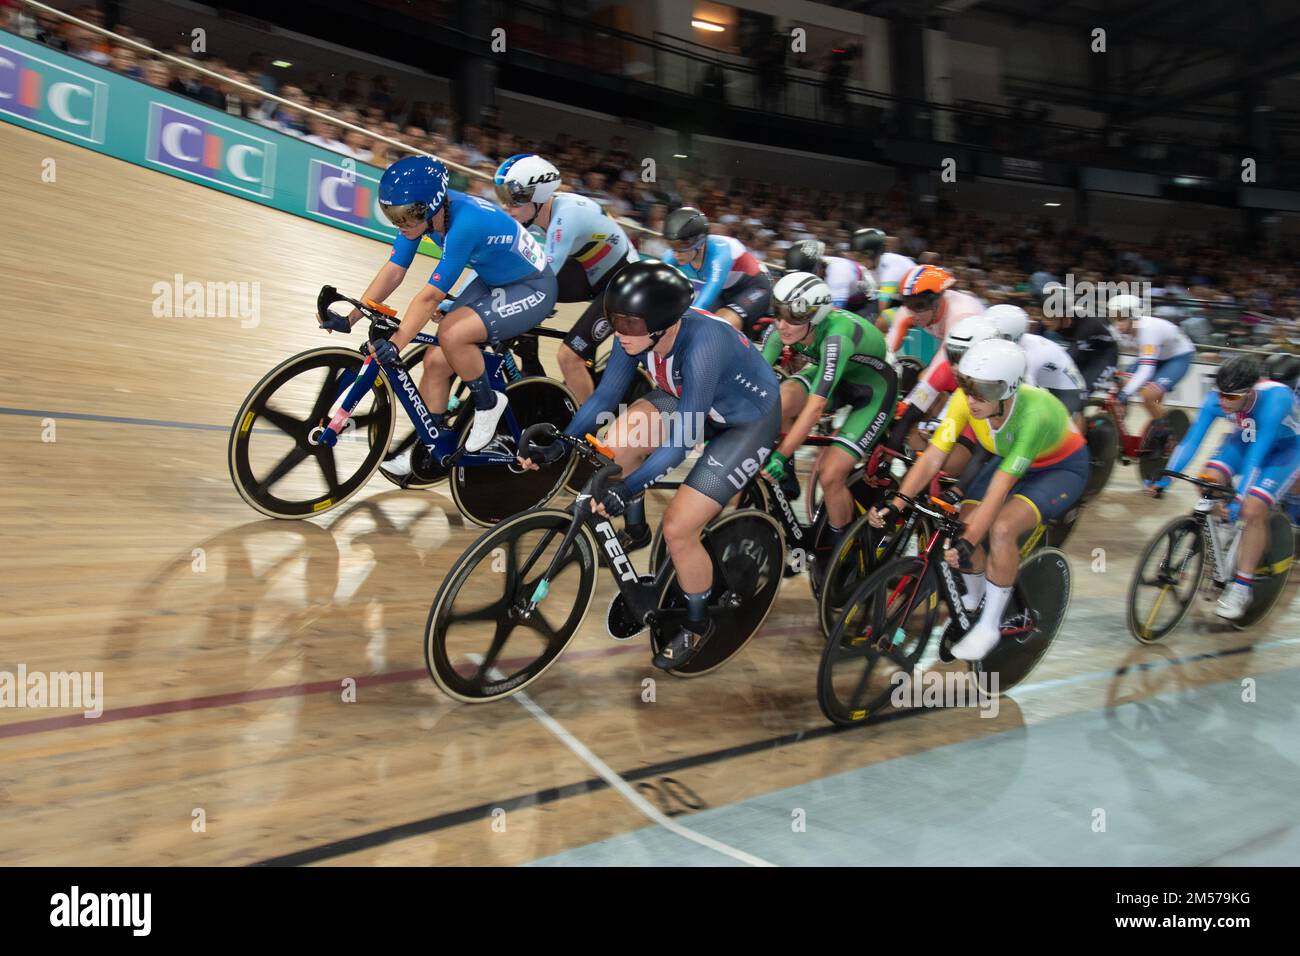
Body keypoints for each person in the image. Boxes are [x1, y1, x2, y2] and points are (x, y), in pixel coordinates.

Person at [520, 261, 781, 670]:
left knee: (679, 529)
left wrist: (628, 488)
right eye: (615, 321)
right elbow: (604, 398)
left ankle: (697, 624)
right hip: (688, 398)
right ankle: (636, 529)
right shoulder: (636, 337)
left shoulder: (703, 345)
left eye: (630, 324)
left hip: (745, 423)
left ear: (661, 324)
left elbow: (681, 443)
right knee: (613, 447)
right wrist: (562, 444)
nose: (620, 332)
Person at [318, 155, 558, 477]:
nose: (401, 224)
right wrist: (352, 318)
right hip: (493, 281)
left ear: (431, 207)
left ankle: (489, 403)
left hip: (533, 287)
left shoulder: (465, 223)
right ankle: (430, 447)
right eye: (393, 215)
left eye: (406, 216)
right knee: (434, 361)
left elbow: (431, 295)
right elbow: (394, 271)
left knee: (452, 334)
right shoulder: (422, 219)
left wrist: (398, 341)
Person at [868, 339, 1089, 660]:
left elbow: (1000, 489)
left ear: (1008, 389)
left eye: (983, 391)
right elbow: (932, 458)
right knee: (963, 527)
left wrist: (969, 541)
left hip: (1061, 468)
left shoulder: (1033, 413)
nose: (972, 400)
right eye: (967, 388)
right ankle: (973, 600)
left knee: (1000, 530)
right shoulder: (964, 401)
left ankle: (989, 625)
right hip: (1012, 460)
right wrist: (897, 503)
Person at [758, 272, 897, 573]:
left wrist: (780, 455)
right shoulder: (781, 330)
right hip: (835, 375)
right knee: (778, 399)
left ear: (815, 316)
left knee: (830, 474)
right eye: (777, 314)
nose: (781, 325)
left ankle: (840, 550)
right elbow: (754, 382)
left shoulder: (837, 336)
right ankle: (787, 478)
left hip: (871, 391)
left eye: (791, 319)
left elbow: (815, 407)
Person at [1150, 354, 1300, 620]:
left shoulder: (1277, 399)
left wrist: (1241, 497)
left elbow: (1259, 451)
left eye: (1231, 398)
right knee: (1206, 480)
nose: (1222, 402)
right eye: (1220, 394)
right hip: (1243, 441)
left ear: (1250, 391)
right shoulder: (1219, 399)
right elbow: (1191, 441)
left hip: (1284, 452)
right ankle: (1224, 529)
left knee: (1252, 510)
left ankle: (1242, 588)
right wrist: (1167, 477)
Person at [493, 153, 638, 402]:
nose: (507, 207)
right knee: (518, 288)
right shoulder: (535, 214)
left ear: (538, 196)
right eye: (503, 197)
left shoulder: (565, 217)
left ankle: (583, 434)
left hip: (623, 283)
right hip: (590, 273)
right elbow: (501, 260)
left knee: (568, 357)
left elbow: (545, 274)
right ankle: (530, 374)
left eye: (514, 199)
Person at [882, 264, 985, 445]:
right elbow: (887, 351)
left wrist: (909, 404)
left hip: (978, 360)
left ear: (938, 301)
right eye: (908, 304)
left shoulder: (961, 314)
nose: (913, 312)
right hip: (952, 353)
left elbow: (941, 365)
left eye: (919, 306)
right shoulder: (911, 311)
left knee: (928, 386)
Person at [660, 207, 773, 339]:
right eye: (672, 245)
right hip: (724, 290)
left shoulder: (720, 253)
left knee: (716, 328)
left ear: (700, 244)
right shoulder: (673, 254)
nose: (676, 253)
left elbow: (702, 303)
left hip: (755, 287)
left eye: (682, 246)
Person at [985, 304, 1088, 420]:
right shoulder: (1012, 342)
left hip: (1067, 390)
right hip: (1046, 382)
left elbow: (1026, 397)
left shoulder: (1028, 355)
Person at [1108, 293, 1195, 427]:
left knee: (1148, 397)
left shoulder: (1148, 331)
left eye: (1121, 318)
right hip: (1158, 355)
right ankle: (1118, 430)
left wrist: (1125, 394)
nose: (1117, 325)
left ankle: (1166, 433)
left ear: (1134, 317)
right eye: (1113, 319)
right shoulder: (1118, 329)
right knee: (1121, 381)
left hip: (1178, 357)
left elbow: (1146, 370)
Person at [1035, 282, 1119, 396]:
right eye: (1043, 316)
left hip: (1104, 355)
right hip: (1084, 350)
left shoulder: (1087, 323)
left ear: (1065, 316)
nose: (1044, 322)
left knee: (1081, 393)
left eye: (1049, 318)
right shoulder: (1051, 319)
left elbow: (1069, 358)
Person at [785, 239, 879, 320]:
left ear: (818, 267)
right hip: (840, 298)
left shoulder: (838, 273)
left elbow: (834, 314)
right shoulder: (815, 265)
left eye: (807, 274)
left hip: (864, 304)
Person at [846, 228, 915, 313]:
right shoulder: (871, 264)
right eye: (855, 257)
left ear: (874, 254)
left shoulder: (892, 268)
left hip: (914, 304)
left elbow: (882, 307)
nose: (858, 262)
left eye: (861, 257)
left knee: (878, 318)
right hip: (894, 299)